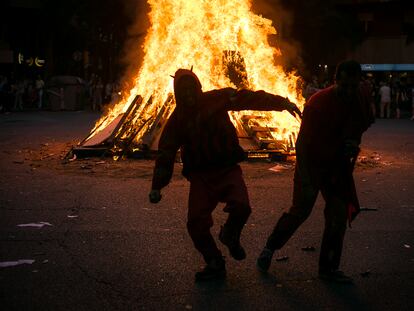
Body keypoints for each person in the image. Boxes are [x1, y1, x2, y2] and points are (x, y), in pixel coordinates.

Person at [149, 68, 301, 282]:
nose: (188, 95)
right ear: (177, 94)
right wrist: (157, 185)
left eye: (191, 89)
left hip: (227, 169)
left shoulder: (217, 99)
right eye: (183, 92)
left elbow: (249, 98)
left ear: (198, 87)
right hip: (201, 176)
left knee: (242, 206)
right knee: (196, 222)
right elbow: (166, 153)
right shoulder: (178, 119)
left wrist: (281, 103)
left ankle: (230, 234)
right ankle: (214, 261)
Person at [256, 60, 374, 283]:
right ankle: (270, 247)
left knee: (338, 213)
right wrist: (308, 180)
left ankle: (328, 268)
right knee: (301, 210)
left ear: (359, 83)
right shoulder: (318, 104)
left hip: (337, 165)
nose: (349, 91)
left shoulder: (360, 98)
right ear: (335, 81)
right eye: (344, 86)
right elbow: (301, 145)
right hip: (312, 162)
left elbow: (361, 124)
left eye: (353, 86)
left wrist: (352, 143)